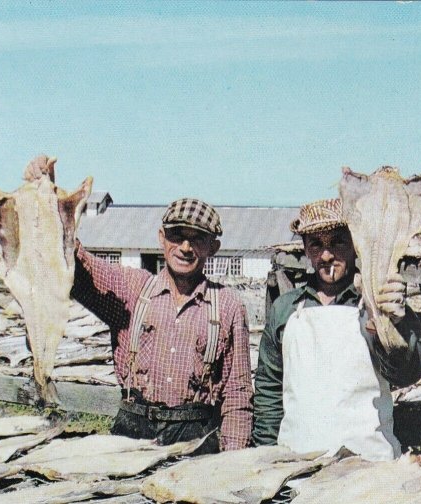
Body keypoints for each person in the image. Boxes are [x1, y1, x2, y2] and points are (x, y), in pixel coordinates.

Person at [26, 156, 253, 453]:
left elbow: (237, 395)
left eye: (197, 239)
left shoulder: (228, 306)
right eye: (176, 236)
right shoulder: (131, 288)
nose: (185, 247)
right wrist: (45, 196)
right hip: (133, 432)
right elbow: (76, 268)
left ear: (213, 247)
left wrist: (233, 465)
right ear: (161, 239)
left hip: (197, 438)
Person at [252, 198, 421, 461]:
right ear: (306, 250)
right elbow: (269, 390)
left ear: (356, 245)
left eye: (337, 242)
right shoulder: (285, 309)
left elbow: (408, 372)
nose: (326, 255)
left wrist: (395, 328)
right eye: (316, 244)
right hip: (298, 467)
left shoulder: (378, 304)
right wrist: (266, 457)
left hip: (368, 468)